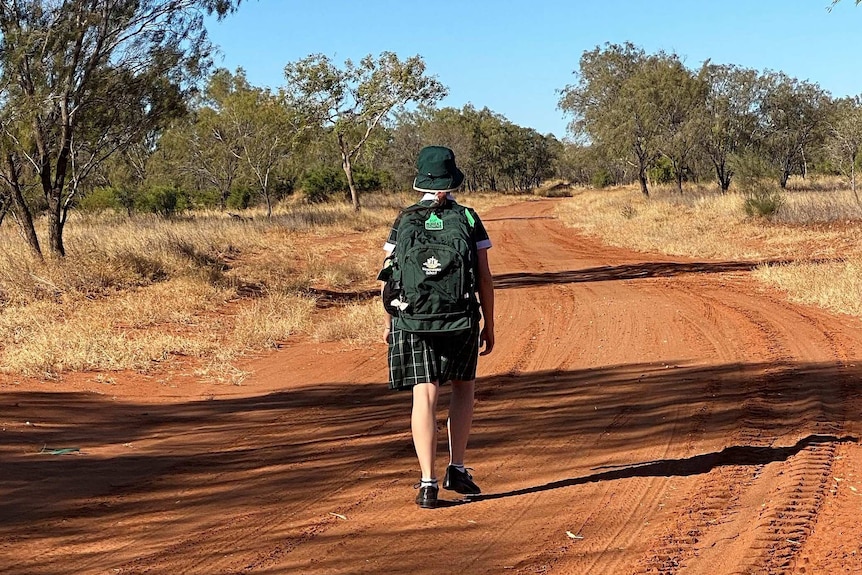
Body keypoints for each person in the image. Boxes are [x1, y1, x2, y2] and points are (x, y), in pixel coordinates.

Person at [381, 145, 495, 509]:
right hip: (459, 319)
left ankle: (428, 483)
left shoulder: (405, 219)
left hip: (411, 319)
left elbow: (388, 277)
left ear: (421, 179)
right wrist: (489, 324)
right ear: (452, 177)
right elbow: (484, 277)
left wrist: (389, 322)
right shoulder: (468, 218)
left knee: (424, 395)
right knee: (463, 388)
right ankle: (457, 468)